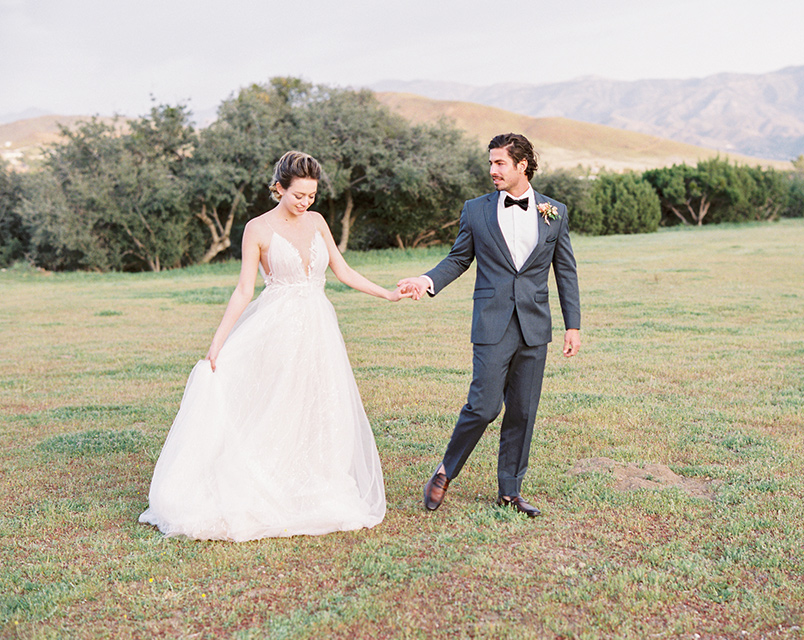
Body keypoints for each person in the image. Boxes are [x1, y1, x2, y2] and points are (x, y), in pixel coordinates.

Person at [139, 151, 409, 541]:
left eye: (312, 196)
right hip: (277, 328)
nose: (305, 202)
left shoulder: (316, 222)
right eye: (298, 195)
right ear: (279, 188)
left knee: (319, 402)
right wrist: (218, 341)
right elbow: (244, 289)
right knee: (277, 403)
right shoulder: (257, 229)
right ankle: (262, 480)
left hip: (318, 327)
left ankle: (316, 479)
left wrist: (386, 294)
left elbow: (342, 270)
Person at [399, 133, 581, 518]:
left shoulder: (555, 211)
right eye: (491, 163)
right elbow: (457, 259)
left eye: (500, 163)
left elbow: (565, 270)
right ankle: (446, 470)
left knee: (522, 411)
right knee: (482, 407)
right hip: (492, 323)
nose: (492, 170)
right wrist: (426, 281)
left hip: (535, 326)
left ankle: (510, 492)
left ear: (522, 165)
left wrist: (572, 325)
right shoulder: (476, 210)